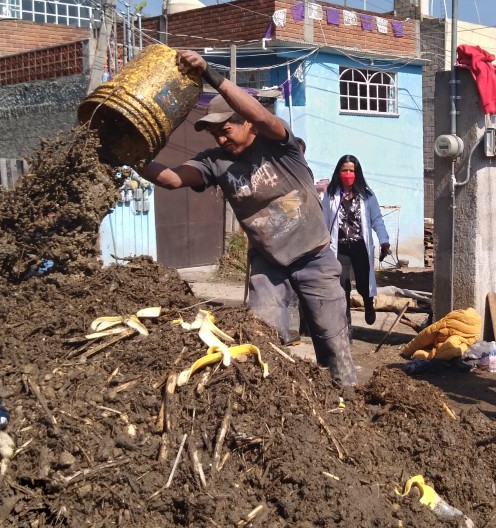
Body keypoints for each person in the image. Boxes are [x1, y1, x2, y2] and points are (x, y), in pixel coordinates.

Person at [140, 50, 357, 388]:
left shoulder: (280, 146)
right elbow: (171, 179)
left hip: (314, 257)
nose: (220, 139)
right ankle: (270, 401)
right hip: (269, 266)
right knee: (260, 338)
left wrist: (212, 75)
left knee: (332, 340)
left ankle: (345, 401)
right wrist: (131, 157)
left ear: (247, 125)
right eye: (214, 135)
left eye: (226, 130)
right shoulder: (215, 162)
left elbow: (260, 114)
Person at [322, 155, 390, 334]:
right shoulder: (331, 195)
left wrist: (384, 240)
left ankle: (368, 304)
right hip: (340, 247)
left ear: (357, 172)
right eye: (344, 170)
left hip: (360, 246)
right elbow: (324, 220)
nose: (348, 174)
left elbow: (376, 219)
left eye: (351, 170)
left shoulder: (367, 195)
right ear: (338, 172)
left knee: (363, 283)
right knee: (342, 286)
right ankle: (346, 326)